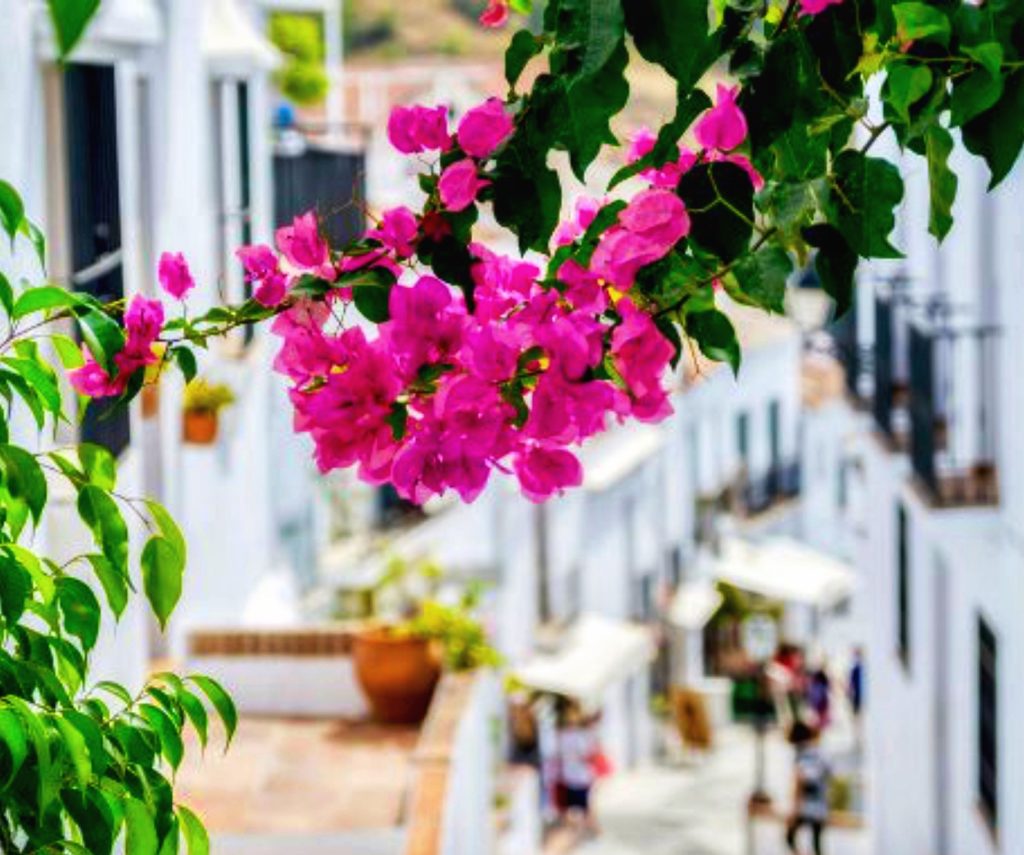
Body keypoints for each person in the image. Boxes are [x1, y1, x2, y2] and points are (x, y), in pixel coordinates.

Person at [785, 720, 831, 855]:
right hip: (821, 804)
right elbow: (829, 773)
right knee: (817, 844)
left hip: (805, 805)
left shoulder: (800, 754)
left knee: (790, 837)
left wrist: (794, 809)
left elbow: (800, 781)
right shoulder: (819, 751)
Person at [555, 700, 600, 835]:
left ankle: (577, 832)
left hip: (571, 775)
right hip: (579, 776)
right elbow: (589, 755)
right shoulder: (580, 735)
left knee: (575, 807)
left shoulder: (563, 735)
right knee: (583, 807)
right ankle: (586, 831)